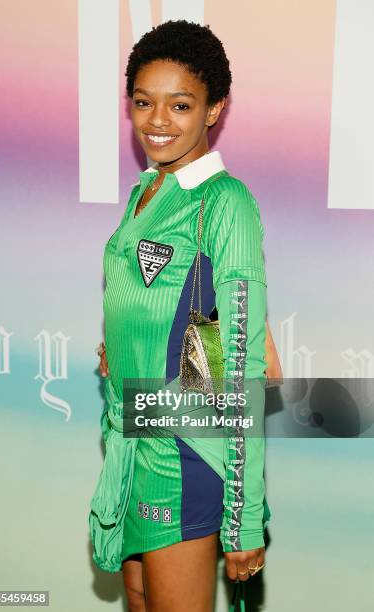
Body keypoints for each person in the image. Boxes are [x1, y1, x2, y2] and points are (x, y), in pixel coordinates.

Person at [90, 19, 273, 612]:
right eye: (144, 102)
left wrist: (243, 521)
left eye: (180, 104)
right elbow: (161, 313)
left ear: (214, 109)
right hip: (133, 439)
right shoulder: (147, 192)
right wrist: (122, 347)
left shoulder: (225, 203)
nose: (158, 121)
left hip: (185, 450)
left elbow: (240, 364)